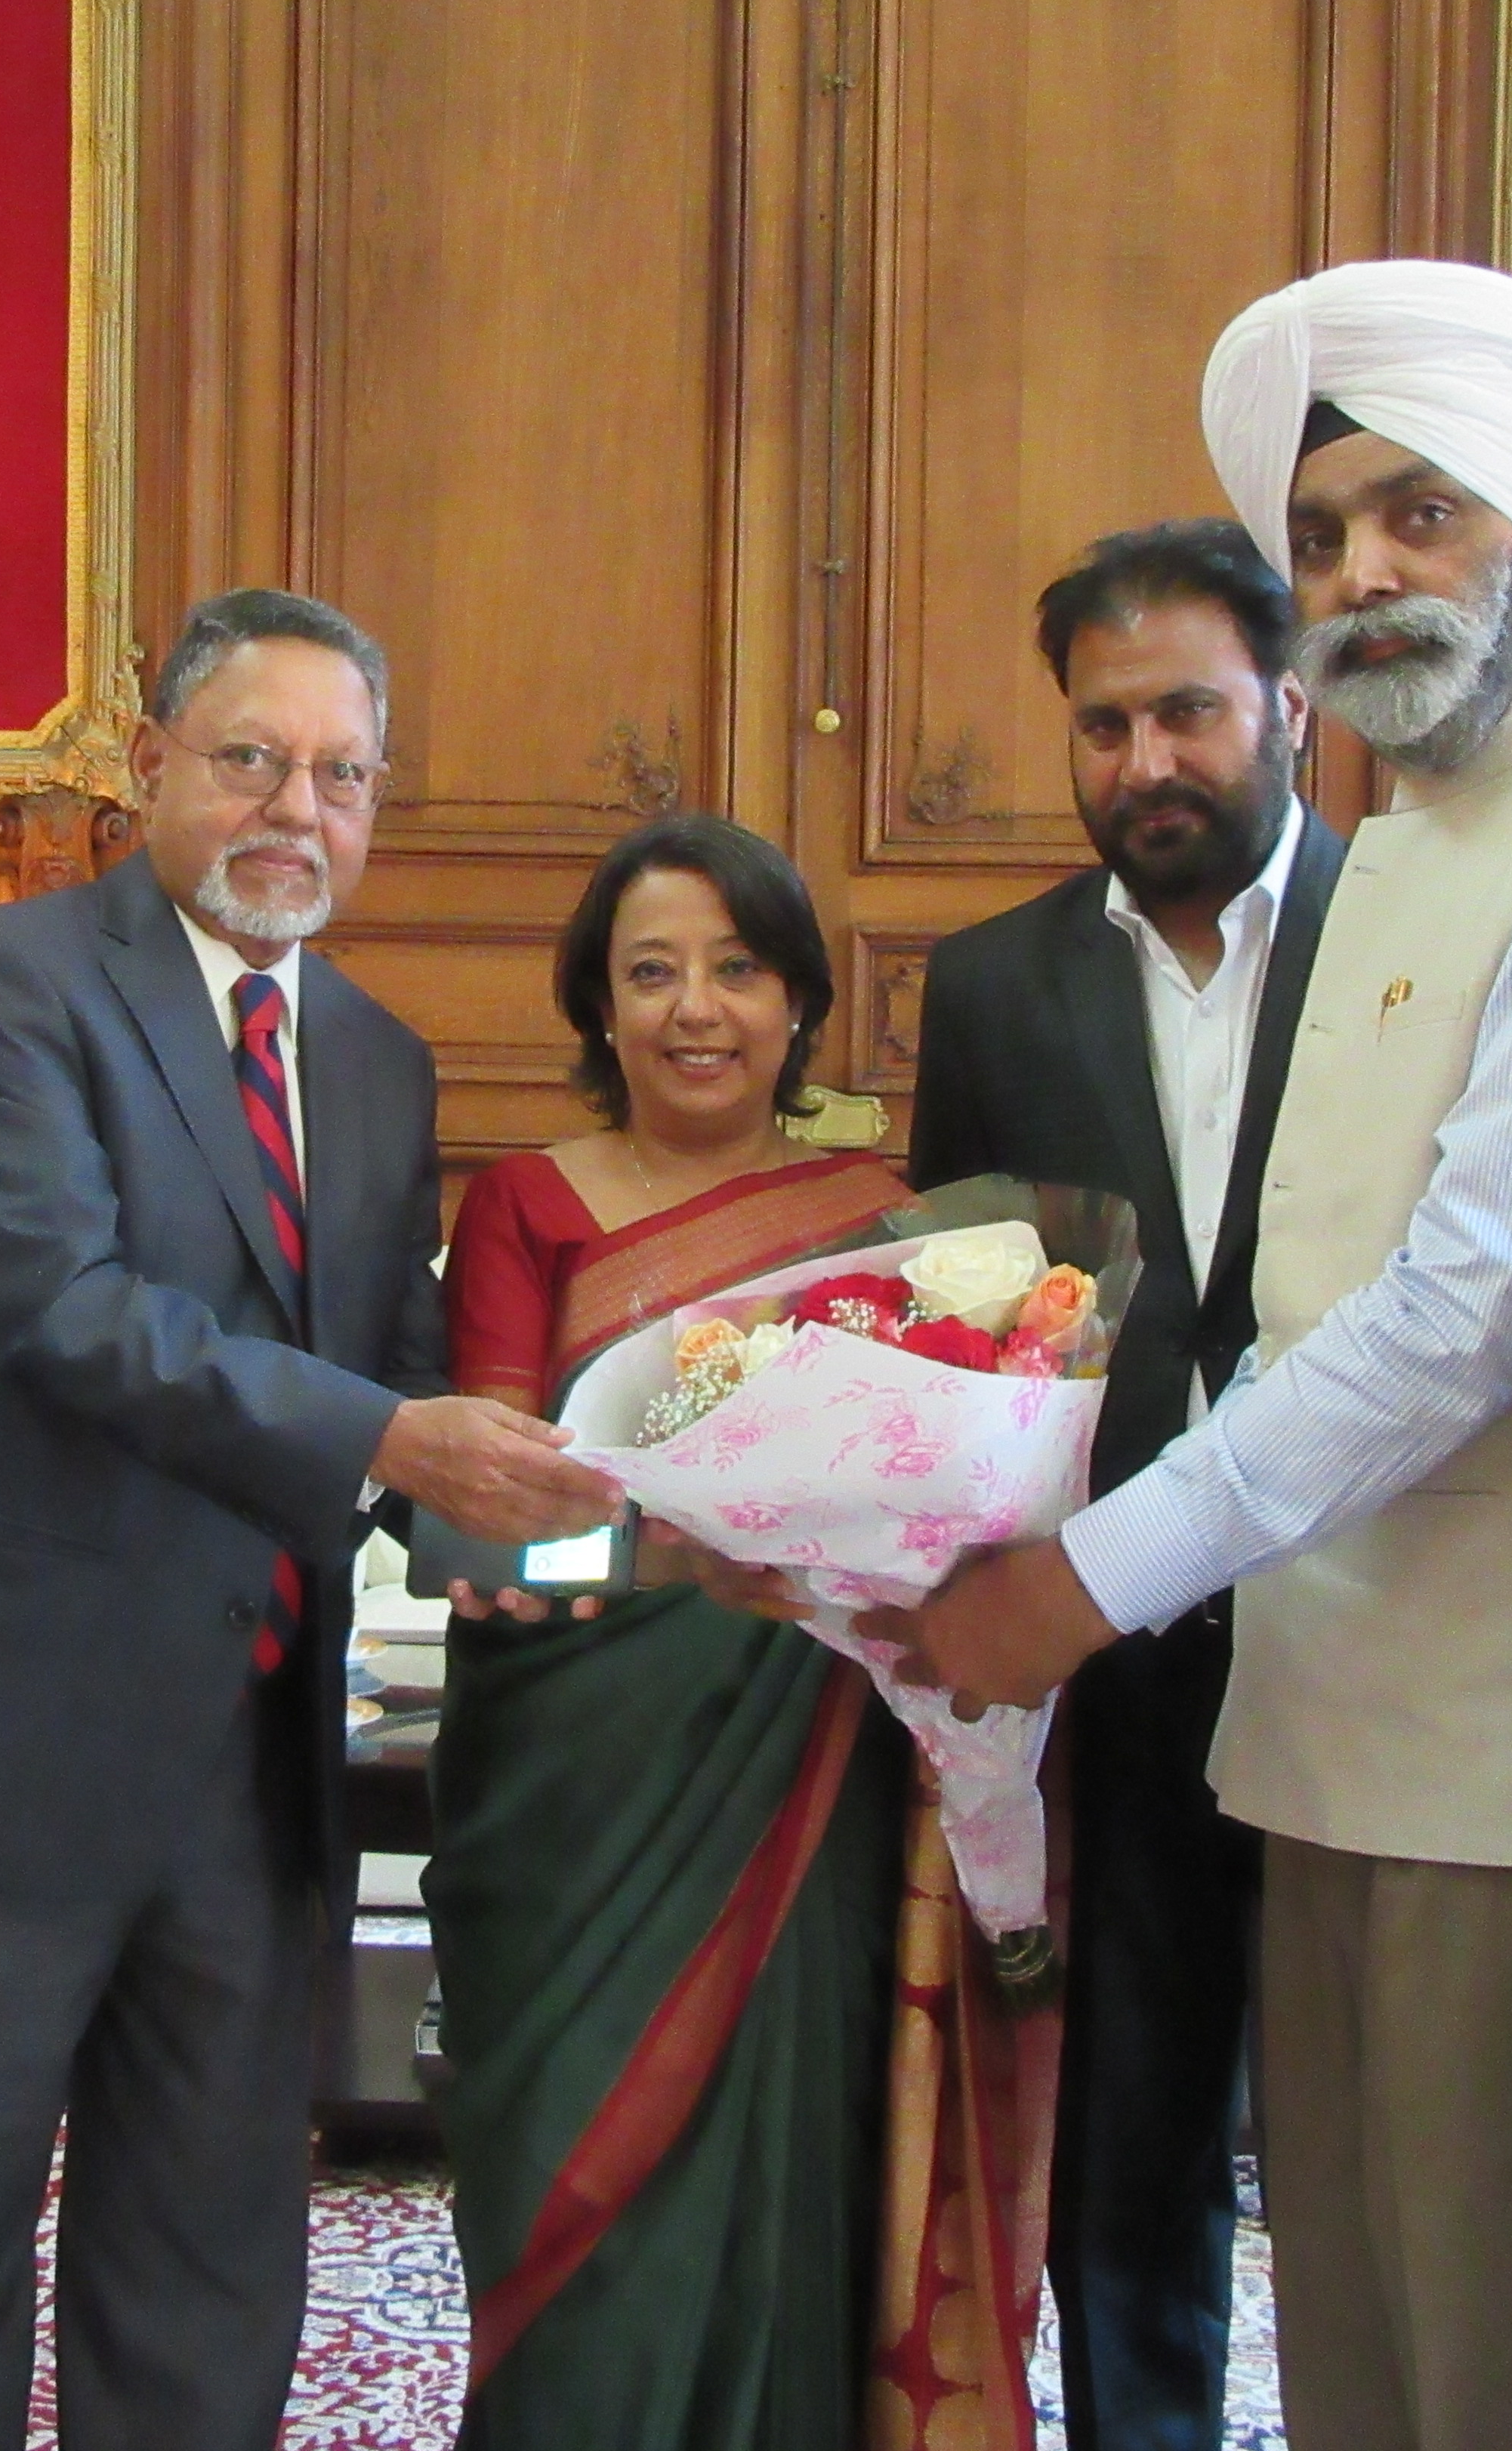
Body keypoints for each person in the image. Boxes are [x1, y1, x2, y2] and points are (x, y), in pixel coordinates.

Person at [868, 260, 1512, 2451]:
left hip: (1508, 1772)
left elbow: (1464, 1314)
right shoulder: (1438, 830)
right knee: (1359, 2368)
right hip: (1312, 1725)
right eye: (1332, 529)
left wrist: (1080, 1584)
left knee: (1510, 2377)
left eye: (1425, 519)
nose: (1365, 572)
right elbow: (1286, 1307)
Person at [0, 588, 620, 2451]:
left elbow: (403, 1361)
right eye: (250, 757)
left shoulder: (378, 1057)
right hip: (5, 1749)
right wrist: (400, 1440)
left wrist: (596, 1511)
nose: (293, 809)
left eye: (340, 775)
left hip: (253, 1768)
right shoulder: (10, 982)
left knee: (213, 2257)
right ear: (151, 762)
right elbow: (59, 1308)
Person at [430, 812, 991, 2449]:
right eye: (652, 972)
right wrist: (636, 1551)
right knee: (565, 2169)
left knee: (791, 2156)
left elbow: (946, 1489)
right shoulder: (528, 1206)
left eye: (738, 970)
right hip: (580, 1789)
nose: (697, 1010)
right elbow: (488, 1482)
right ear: (597, 1009)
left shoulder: (891, 1218)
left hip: (806, 1770)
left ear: (801, 1003)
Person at [902, 519, 1345, 2449]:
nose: (1144, 759)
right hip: (1120, 1633)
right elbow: (965, 1313)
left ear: (1291, 710)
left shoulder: (1413, 936)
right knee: (1132, 2128)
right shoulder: (991, 987)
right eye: (1102, 724)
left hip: (1377, 1621)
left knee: (1376, 2148)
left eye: (1185, 709)